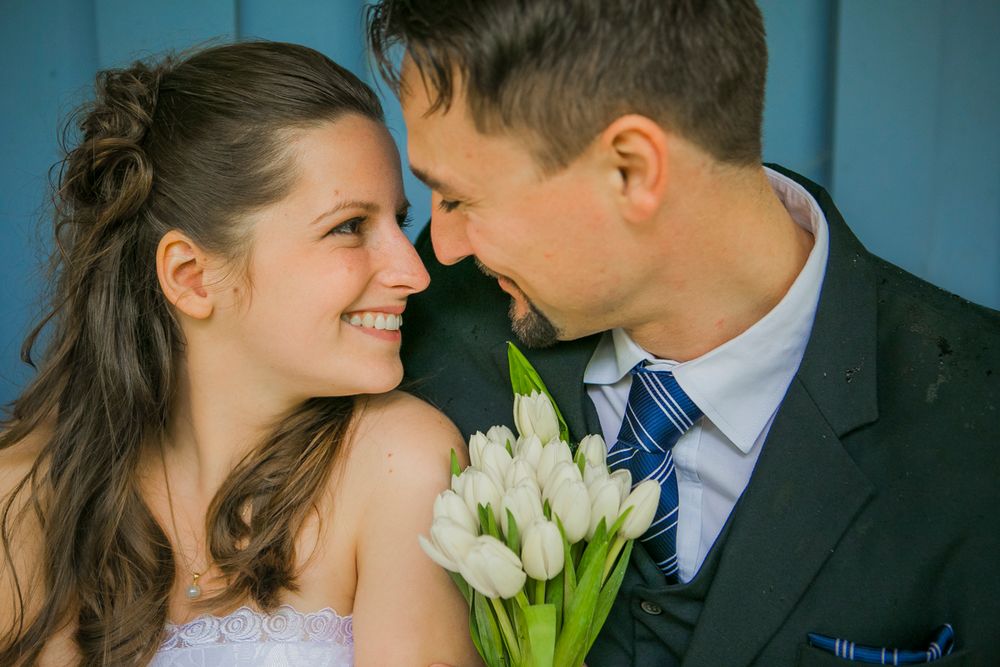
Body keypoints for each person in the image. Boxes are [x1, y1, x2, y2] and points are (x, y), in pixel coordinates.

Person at [367, 1, 1000, 665]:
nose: (440, 246)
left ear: (632, 170)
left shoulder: (978, 425)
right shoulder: (423, 332)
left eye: (461, 197)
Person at [0, 41, 481, 666]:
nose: (415, 272)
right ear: (193, 276)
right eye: (348, 227)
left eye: (398, 220)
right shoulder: (31, 490)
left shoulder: (402, 464)